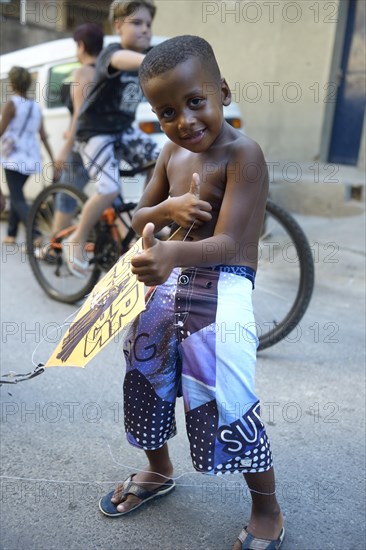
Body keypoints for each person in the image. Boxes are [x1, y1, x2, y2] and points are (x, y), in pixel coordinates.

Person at [98, 36, 285, 550]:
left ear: (222, 91)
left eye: (195, 102)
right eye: (167, 111)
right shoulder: (170, 153)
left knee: (226, 390)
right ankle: (158, 470)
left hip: (223, 284)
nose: (184, 120)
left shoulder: (243, 154)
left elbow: (227, 242)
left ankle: (266, 505)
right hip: (167, 278)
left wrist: (172, 254)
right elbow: (139, 214)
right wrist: (168, 210)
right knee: (144, 369)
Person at [63, 0, 159, 278]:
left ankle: (142, 227)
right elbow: (123, 61)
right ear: (118, 26)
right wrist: (158, 62)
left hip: (122, 129)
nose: (145, 30)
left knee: (162, 163)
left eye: (149, 24)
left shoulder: (151, 56)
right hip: (94, 131)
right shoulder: (112, 54)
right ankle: (77, 238)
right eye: (136, 23)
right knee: (109, 189)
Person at [52, 23, 104, 234]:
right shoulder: (105, 72)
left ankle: (53, 247)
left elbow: (79, 115)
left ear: (81, 46)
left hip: (81, 145)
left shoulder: (82, 73)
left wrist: (65, 149)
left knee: (67, 195)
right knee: (110, 195)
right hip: (103, 142)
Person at [0, 66, 54, 244]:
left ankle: (36, 234)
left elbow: (1, 130)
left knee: (16, 197)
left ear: (13, 83)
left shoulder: (12, 104)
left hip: (14, 158)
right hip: (31, 159)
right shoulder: (35, 107)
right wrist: (53, 159)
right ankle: (11, 234)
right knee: (18, 194)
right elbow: (43, 135)